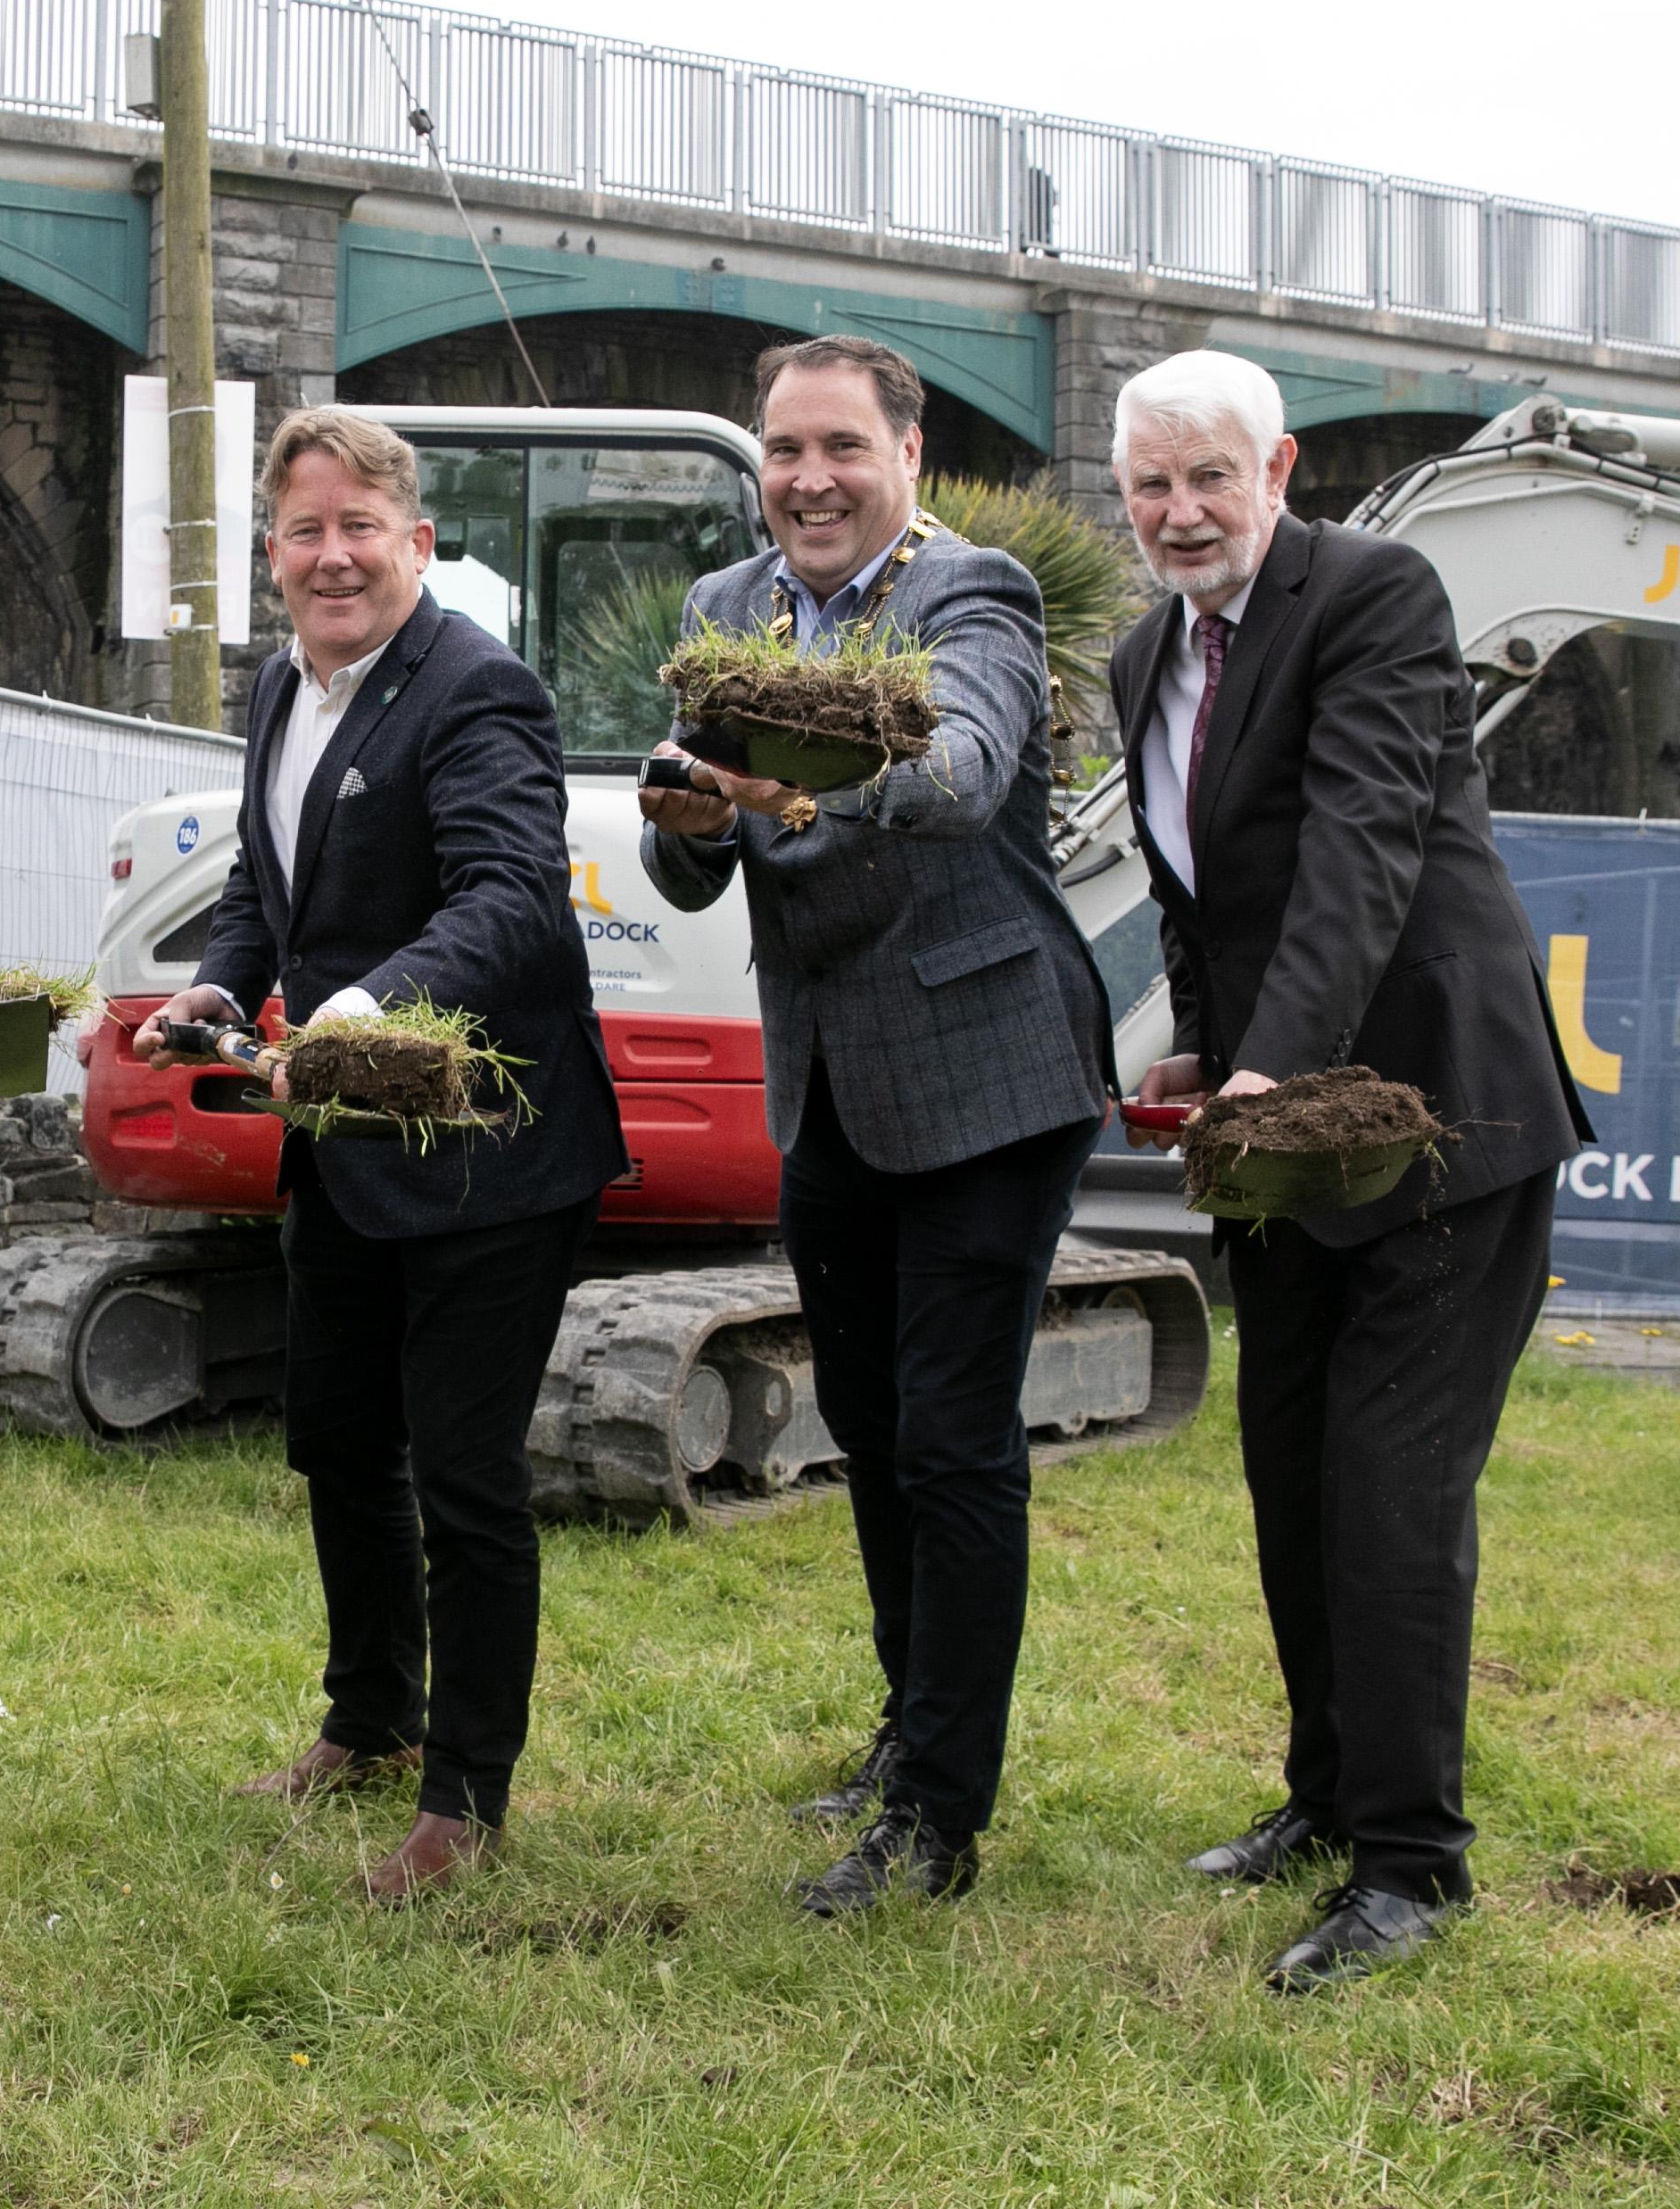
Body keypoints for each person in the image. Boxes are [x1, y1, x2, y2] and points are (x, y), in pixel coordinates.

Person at [1102, 348, 1591, 1992]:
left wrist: (1273, 1059)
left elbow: (1360, 840)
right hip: (1285, 1142)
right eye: (1151, 485)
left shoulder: (1377, 592)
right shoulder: (1139, 657)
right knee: (1291, 1474)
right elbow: (1204, 894)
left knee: (1389, 1491)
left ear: (1279, 469)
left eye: (1207, 479)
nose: (1180, 513)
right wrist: (1199, 1043)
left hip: (1442, 1120)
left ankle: (1412, 1864)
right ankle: (1324, 1797)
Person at [637, 334, 1114, 1917]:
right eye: (784, 449)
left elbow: (963, 775)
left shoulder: (971, 595)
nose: (809, 478)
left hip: (989, 1065)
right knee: (876, 1425)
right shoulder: (724, 611)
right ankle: (914, 1732)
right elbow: (700, 874)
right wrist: (694, 817)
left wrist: (787, 786)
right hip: (828, 1072)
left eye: (842, 445)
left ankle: (938, 1819)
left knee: (957, 1436)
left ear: (906, 454)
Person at [136, 406, 627, 1901]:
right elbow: (266, 886)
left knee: (468, 1478)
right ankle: (368, 1721)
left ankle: (463, 1798)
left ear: (420, 542)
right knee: (340, 1438)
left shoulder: (480, 690)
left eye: (363, 526)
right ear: (272, 555)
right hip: (344, 1144)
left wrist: (355, 1007)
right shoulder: (285, 685)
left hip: (488, 1147)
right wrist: (223, 983)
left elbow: (513, 902)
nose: (333, 554)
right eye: (306, 529)